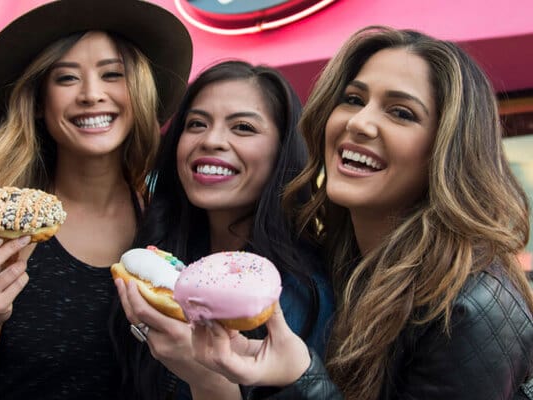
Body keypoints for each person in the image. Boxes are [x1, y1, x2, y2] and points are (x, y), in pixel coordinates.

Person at [188, 26, 533, 400]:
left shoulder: (471, 307)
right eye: (353, 99)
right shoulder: (339, 264)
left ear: (447, 148)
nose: (358, 122)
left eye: (401, 113)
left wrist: (299, 378)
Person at [0, 0, 192, 399]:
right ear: (38, 102)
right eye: (66, 79)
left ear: (138, 90)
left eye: (112, 74)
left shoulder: (178, 225)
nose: (92, 94)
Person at [110, 60, 334, 400]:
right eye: (196, 124)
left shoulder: (300, 295)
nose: (211, 140)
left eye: (243, 127)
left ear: (282, 151)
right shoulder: (158, 262)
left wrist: (207, 378)